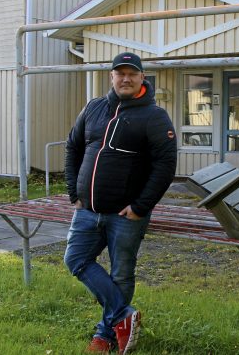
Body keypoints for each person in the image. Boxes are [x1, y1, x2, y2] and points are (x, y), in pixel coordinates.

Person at [64, 52, 177, 354]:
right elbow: (73, 147)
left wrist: (141, 206)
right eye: (120, 73)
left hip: (126, 215)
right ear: (111, 76)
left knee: (121, 274)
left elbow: (165, 165)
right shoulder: (94, 108)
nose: (125, 78)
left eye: (132, 73)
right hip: (87, 210)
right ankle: (124, 316)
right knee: (75, 260)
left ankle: (105, 336)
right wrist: (74, 193)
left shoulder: (154, 116)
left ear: (142, 77)